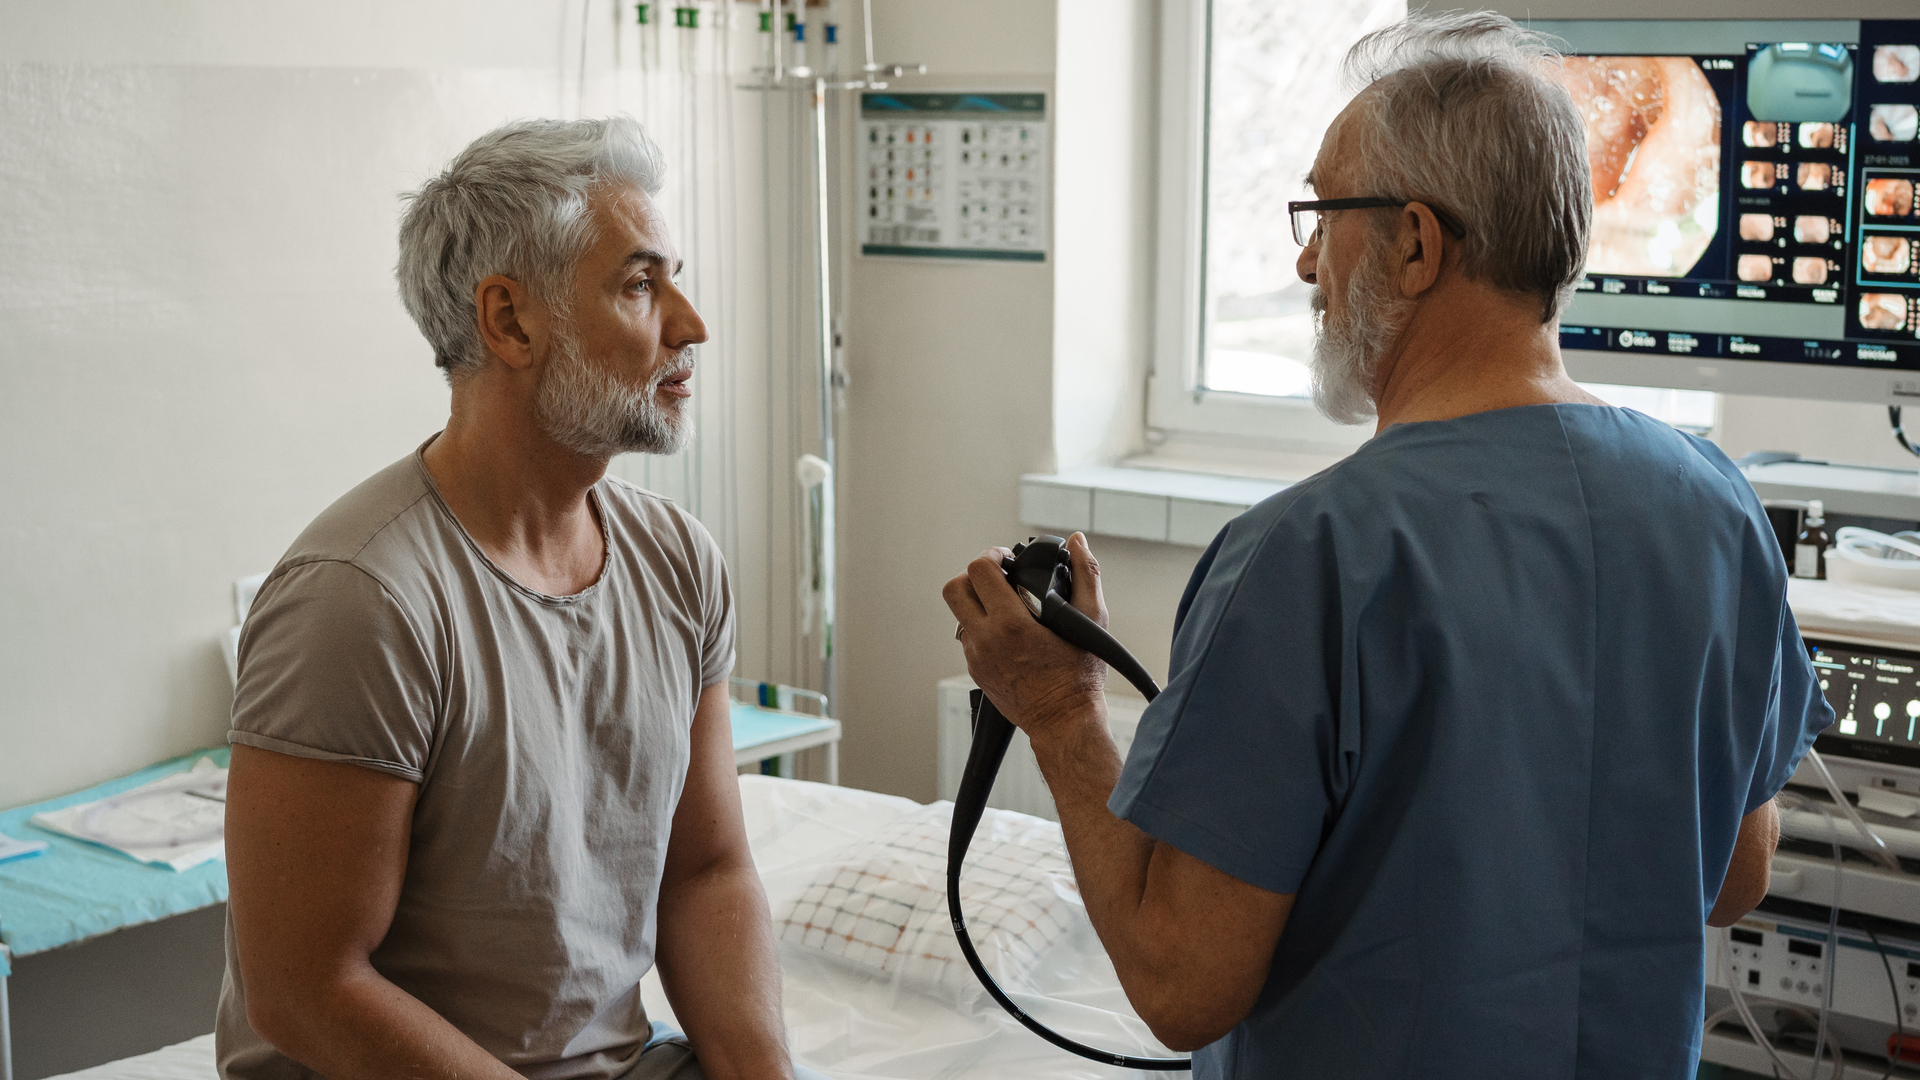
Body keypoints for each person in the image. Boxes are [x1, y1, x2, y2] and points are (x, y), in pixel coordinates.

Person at [944, 13, 1831, 1079]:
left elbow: (1181, 986)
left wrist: (1059, 711)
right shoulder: (1714, 508)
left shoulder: (1308, 556)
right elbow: (1737, 876)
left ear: (1415, 243)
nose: (1306, 261)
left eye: (1322, 216)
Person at [219, 117, 807, 1080]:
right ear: (510, 322)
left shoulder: (679, 563)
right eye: (640, 284)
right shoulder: (360, 601)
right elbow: (306, 990)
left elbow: (705, 873)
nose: (690, 325)